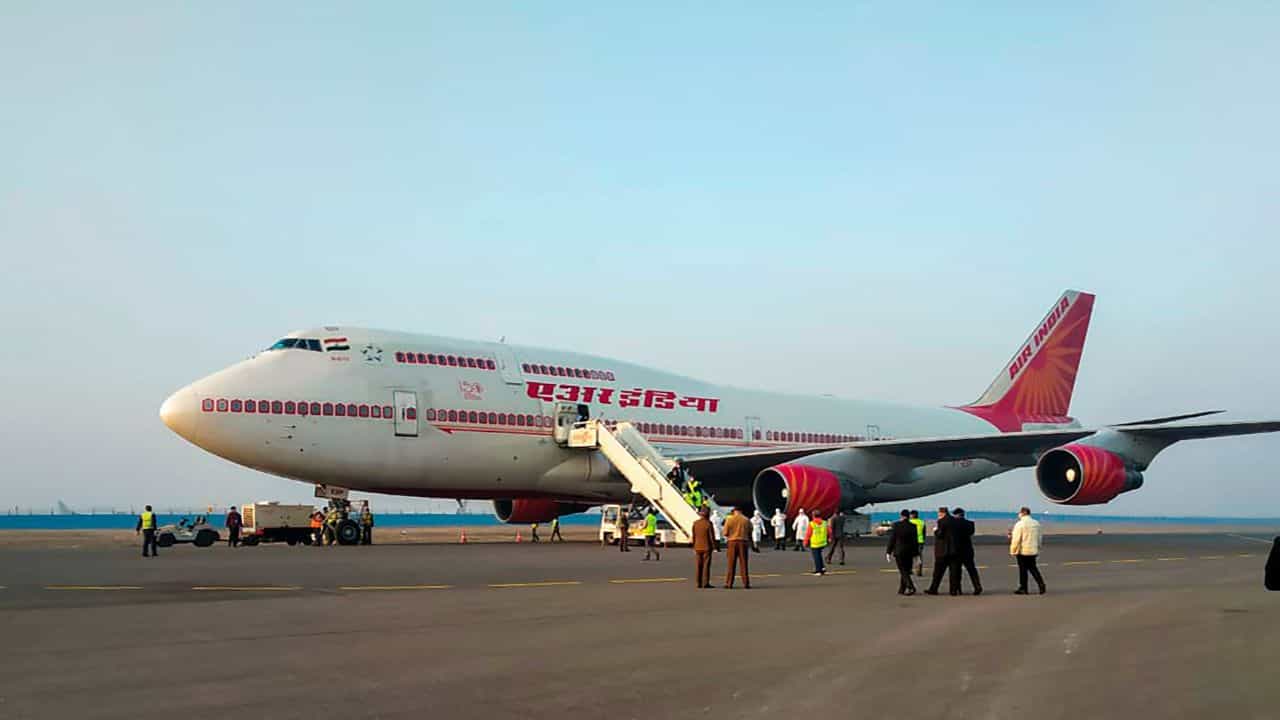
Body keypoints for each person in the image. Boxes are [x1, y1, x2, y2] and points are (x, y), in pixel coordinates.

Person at [1010, 507, 1046, 594]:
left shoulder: (1020, 524)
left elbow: (1016, 539)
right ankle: (1041, 585)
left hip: (1023, 550)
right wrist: (1038, 547)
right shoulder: (1036, 523)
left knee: (1023, 570)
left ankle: (1023, 588)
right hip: (1033, 550)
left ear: (1023, 513)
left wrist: (1013, 550)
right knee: (1033, 568)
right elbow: (1039, 537)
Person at [924, 506, 960, 595]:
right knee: (954, 572)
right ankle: (953, 590)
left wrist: (935, 531)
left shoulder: (941, 521)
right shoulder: (956, 521)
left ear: (942, 513)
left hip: (942, 550)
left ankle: (934, 589)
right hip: (954, 550)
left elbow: (940, 534)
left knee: (938, 572)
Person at [885, 510, 919, 595]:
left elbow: (892, 539)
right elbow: (915, 541)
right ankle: (902, 589)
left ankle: (911, 587)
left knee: (903, 570)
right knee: (906, 570)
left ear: (901, 516)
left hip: (899, 551)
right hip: (909, 551)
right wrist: (916, 554)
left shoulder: (896, 525)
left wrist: (888, 551)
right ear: (908, 516)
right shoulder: (913, 526)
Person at [951, 508, 982, 595]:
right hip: (967, 549)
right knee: (972, 570)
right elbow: (971, 533)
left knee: (956, 571)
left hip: (955, 550)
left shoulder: (953, 524)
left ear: (955, 514)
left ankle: (956, 588)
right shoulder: (970, 523)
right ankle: (977, 586)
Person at [722, 507, 751, 588]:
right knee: (744, 563)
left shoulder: (730, 519)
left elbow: (725, 532)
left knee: (731, 563)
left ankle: (729, 583)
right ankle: (746, 583)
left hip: (732, 542)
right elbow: (750, 531)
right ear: (741, 511)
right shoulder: (746, 519)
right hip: (743, 542)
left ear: (734, 511)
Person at [691, 507, 716, 589]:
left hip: (697, 546)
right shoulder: (709, 523)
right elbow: (711, 536)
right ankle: (705, 583)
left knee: (698, 565)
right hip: (707, 547)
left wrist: (694, 545)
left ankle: (698, 582)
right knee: (706, 566)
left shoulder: (695, 523)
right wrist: (714, 546)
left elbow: (694, 536)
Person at [804, 509, 829, 575]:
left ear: (813, 516)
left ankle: (818, 570)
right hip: (823, 542)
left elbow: (808, 534)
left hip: (815, 543)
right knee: (819, 555)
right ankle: (822, 568)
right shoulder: (824, 523)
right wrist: (829, 538)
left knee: (816, 557)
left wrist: (805, 542)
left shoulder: (812, 524)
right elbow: (829, 531)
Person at [909, 510, 926, 576]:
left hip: (910, 542)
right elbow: (924, 532)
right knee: (918, 556)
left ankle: (909, 570)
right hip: (920, 541)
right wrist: (923, 540)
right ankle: (919, 571)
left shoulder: (909, 522)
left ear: (911, 515)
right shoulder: (921, 522)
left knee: (909, 557)